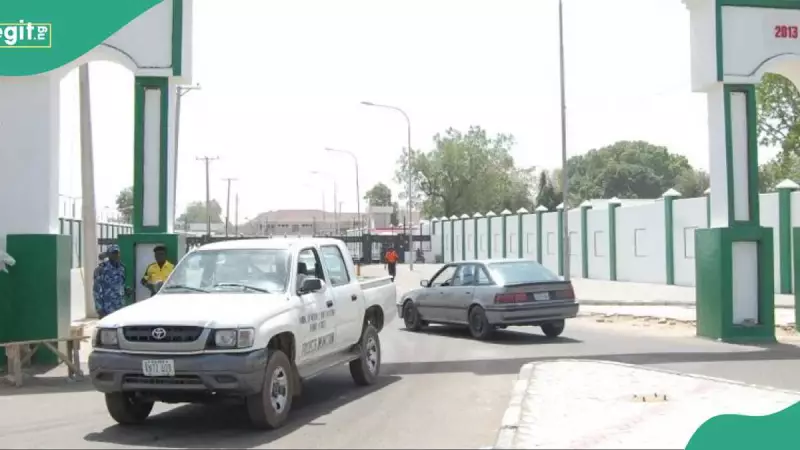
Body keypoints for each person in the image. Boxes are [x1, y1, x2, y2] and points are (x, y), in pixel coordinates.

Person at [93, 244, 131, 318]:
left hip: (120, 306)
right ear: (109, 255)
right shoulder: (101, 269)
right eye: (113, 253)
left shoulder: (122, 268)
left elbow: (121, 284)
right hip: (107, 308)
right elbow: (96, 290)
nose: (116, 255)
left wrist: (126, 289)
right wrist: (99, 308)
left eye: (117, 253)